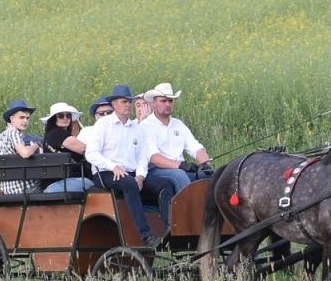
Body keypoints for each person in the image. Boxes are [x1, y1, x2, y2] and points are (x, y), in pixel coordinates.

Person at [84, 84, 157, 244]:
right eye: (124, 102)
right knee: (129, 184)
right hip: (105, 173)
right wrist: (112, 166)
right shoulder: (103, 125)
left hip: (130, 173)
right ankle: (146, 234)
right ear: (114, 104)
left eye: (130, 102)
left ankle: (168, 229)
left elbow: (143, 157)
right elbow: (91, 153)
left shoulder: (137, 128)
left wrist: (140, 175)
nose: (128, 105)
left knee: (164, 183)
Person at [137, 82, 211, 215]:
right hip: (156, 170)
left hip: (178, 167)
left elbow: (196, 148)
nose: (168, 104)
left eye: (170, 101)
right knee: (180, 176)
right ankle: (191, 218)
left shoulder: (179, 124)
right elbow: (153, 158)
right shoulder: (146, 126)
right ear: (154, 103)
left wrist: (206, 164)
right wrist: (180, 165)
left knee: (210, 175)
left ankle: (215, 216)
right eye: (163, 101)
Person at [0, 99, 42, 194]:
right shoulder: (14, 132)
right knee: (47, 183)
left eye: (27, 118)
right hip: (23, 188)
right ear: (12, 119)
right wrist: (37, 145)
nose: (25, 121)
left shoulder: (0, 137)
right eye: (22, 117)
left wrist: (1, 157)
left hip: (7, 189)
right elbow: (25, 153)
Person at [40, 102, 90, 193]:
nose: (65, 118)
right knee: (97, 184)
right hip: (59, 183)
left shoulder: (52, 134)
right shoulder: (57, 134)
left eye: (68, 115)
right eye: (61, 115)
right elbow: (86, 150)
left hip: (62, 182)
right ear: (53, 118)